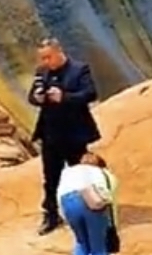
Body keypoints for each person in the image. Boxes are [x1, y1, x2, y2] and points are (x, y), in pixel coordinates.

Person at [28, 38, 100, 235]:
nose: (45, 61)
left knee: (81, 175)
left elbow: (90, 93)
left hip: (75, 133)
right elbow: (31, 97)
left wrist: (64, 97)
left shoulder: (79, 69)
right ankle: (51, 214)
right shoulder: (42, 72)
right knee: (50, 178)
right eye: (42, 58)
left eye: (48, 57)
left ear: (59, 52)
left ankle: (89, 211)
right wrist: (38, 97)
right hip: (50, 134)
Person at [57, 149, 120, 255]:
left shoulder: (68, 172)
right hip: (91, 203)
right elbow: (107, 196)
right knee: (98, 248)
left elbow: (59, 195)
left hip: (68, 202)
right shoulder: (102, 173)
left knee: (81, 243)